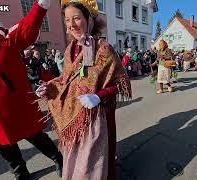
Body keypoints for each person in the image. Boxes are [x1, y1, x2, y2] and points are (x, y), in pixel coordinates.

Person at [0, 0, 62, 179]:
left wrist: (41, 5)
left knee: (37, 138)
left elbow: (27, 26)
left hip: (17, 110)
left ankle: (58, 159)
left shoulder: (4, 40)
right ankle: (20, 173)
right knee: (6, 149)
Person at [35, 0, 132, 179]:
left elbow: (120, 82)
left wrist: (98, 96)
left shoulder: (104, 49)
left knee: (94, 165)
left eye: (77, 18)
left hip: (97, 118)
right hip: (75, 116)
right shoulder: (69, 49)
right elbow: (65, 79)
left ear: (89, 20)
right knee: (76, 162)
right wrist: (48, 87)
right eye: (67, 19)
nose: (71, 24)